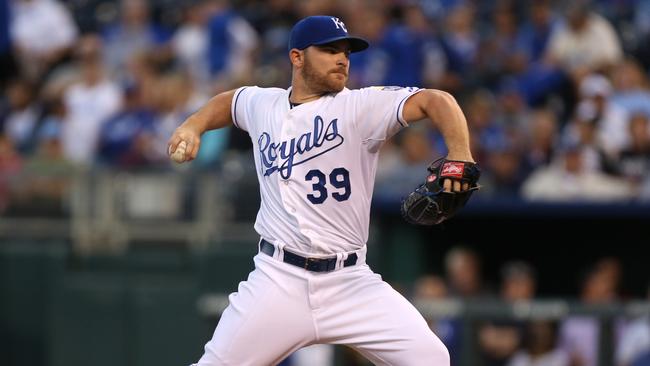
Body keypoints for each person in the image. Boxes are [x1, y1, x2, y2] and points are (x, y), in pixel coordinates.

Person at [168, 15, 475, 366]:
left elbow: (436, 100)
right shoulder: (262, 103)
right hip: (278, 279)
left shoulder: (359, 107)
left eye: (346, 51)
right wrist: (193, 125)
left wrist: (460, 154)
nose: (342, 58)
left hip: (350, 281)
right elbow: (229, 102)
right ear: (297, 57)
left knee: (433, 359)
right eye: (329, 50)